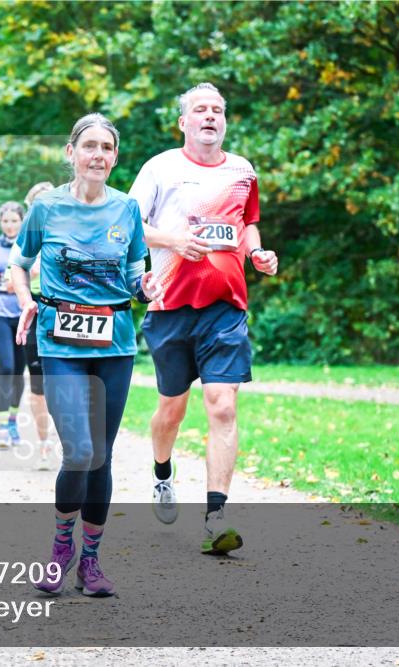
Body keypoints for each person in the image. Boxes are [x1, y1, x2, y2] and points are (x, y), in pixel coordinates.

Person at [9, 113, 161, 597]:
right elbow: (19, 263)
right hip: (61, 341)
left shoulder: (127, 210)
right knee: (78, 451)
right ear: (71, 153)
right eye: (89, 146)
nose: (98, 155)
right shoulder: (46, 209)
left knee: (101, 456)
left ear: (115, 158)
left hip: (115, 343)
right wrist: (26, 300)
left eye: (107, 148)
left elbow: (137, 271)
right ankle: (60, 548)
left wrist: (144, 285)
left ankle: (91, 562)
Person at [127, 82, 279, 555]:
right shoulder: (160, 168)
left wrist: (257, 252)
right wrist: (172, 242)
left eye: (217, 110)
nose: (210, 116)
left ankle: (217, 517)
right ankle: (162, 471)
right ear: (184, 122)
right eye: (200, 109)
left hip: (225, 307)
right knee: (171, 409)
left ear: (225, 121)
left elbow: (246, 222)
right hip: (170, 305)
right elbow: (128, 224)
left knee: (223, 406)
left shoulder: (242, 170)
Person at [0, 202, 28, 449]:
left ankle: (12, 420)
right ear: (0, 222)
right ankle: (1, 426)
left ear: (21, 221)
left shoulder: (29, 243)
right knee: (7, 366)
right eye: (5, 221)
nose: (9, 225)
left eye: (14, 221)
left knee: (19, 371)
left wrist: (23, 278)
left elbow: (38, 270)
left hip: (23, 313)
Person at [22, 181, 57, 470]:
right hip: (35, 308)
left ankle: (74, 439)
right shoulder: (27, 237)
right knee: (38, 383)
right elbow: (14, 273)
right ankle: (44, 442)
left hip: (68, 309)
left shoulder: (76, 227)